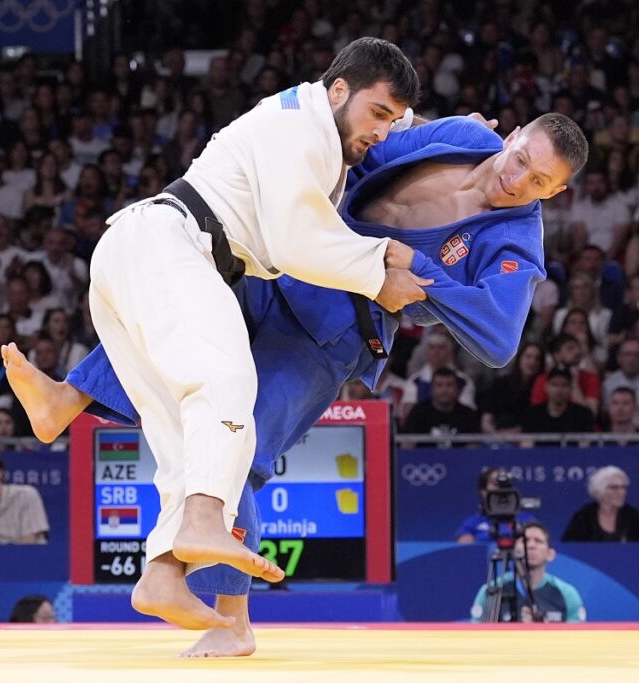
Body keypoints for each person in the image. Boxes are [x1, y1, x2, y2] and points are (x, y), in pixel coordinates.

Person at [6, 109, 588, 652]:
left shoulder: (515, 241)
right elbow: (377, 141)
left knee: (241, 443)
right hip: (288, 262)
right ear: (510, 136)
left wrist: (424, 270)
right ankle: (68, 397)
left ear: (554, 193)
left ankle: (233, 620)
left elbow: (497, 337)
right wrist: (411, 119)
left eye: (538, 182)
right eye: (520, 160)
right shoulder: (464, 136)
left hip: (331, 331)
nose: (517, 181)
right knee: (182, 313)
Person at [83, 38, 426, 630]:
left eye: (393, 120)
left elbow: (393, 117)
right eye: (378, 115)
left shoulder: (317, 118)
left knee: (176, 431)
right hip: (170, 245)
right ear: (337, 90)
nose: (384, 132)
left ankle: (161, 574)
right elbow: (297, 244)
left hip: (142, 252)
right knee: (229, 380)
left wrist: (456, 128)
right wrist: (377, 272)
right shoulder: (303, 132)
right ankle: (204, 522)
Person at [470, 522, 586, 623]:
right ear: (514, 550)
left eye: (538, 541)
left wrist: (541, 632)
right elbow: (476, 637)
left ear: (550, 554)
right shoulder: (492, 591)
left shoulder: (567, 594)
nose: (530, 545)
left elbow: (576, 641)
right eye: (524, 540)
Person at [561, 466, 639, 542]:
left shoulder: (632, 515)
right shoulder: (584, 516)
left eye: (623, 487)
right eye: (614, 487)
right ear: (600, 490)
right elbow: (570, 545)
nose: (621, 492)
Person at [455, 468, 536, 544]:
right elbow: (465, 552)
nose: (500, 488)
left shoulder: (528, 520)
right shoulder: (471, 523)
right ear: (483, 491)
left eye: (505, 485)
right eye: (495, 484)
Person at [402, 366, 480, 445]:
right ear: (432, 389)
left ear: (457, 389)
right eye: (439, 385)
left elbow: (474, 447)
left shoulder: (468, 415)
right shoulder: (418, 413)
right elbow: (407, 446)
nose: (444, 390)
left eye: (449, 385)